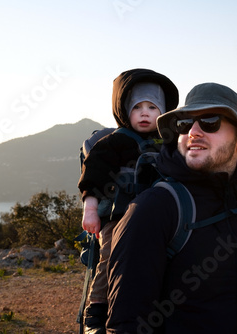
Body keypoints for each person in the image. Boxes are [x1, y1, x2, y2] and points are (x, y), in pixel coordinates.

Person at [106, 82, 237, 333]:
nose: (193, 131)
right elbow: (127, 323)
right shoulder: (155, 208)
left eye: (210, 121)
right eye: (184, 124)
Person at [77, 68, 179, 333]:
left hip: (156, 219)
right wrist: (90, 210)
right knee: (110, 258)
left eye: (152, 107)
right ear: (124, 111)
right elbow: (94, 175)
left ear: (163, 112)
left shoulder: (167, 143)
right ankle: (96, 312)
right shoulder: (116, 142)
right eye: (137, 108)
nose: (145, 113)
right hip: (117, 217)